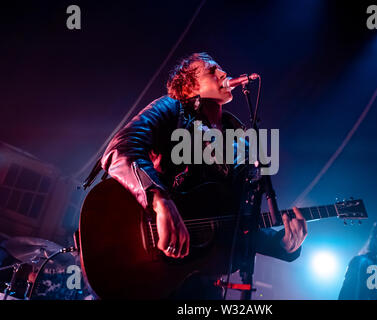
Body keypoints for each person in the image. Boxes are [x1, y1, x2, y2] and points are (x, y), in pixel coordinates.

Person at [92, 52, 308, 299]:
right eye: (212, 70)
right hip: (150, 266)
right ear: (190, 86)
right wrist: (159, 200)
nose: (224, 74)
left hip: (202, 281)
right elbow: (120, 148)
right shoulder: (171, 108)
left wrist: (283, 245)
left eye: (222, 69)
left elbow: (235, 222)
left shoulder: (237, 137)